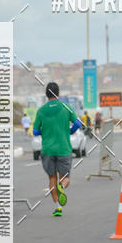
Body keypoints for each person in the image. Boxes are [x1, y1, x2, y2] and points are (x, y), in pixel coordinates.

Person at [33, 82, 82, 216]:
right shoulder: (65, 107)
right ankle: (62, 186)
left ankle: (58, 207)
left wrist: (45, 132)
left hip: (47, 150)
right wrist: (70, 131)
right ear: (58, 93)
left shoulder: (41, 111)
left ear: (46, 94)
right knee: (65, 178)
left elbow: (35, 132)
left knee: (52, 179)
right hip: (63, 149)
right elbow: (78, 123)